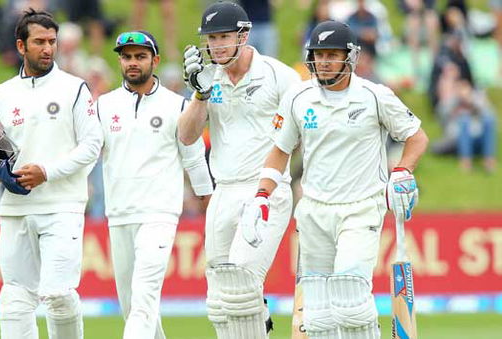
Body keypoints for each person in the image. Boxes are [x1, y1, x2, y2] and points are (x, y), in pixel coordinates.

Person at [240, 20, 429, 338]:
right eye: (319, 54)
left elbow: (417, 137)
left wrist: (403, 170)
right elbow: (279, 151)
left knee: (351, 298)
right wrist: (261, 195)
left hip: (361, 208)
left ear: (349, 57)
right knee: (318, 314)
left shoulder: (374, 95)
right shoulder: (298, 97)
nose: (324, 61)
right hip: (313, 211)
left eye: (332, 54)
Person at [0, 9, 102, 339]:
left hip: (63, 205)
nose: (48, 48)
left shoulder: (74, 88)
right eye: (39, 42)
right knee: (14, 299)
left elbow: (93, 144)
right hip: (16, 209)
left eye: (52, 41)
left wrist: (46, 172)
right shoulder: (3, 93)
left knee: (59, 296)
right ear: (21, 46)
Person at [179, 2, 302, 337]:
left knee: (242, 289)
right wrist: (199, 95)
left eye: (224, 37)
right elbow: (186, 136)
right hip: (224, 191)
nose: (216, 45)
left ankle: (256, 314)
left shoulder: (279, 75)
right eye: (211, 38)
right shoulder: (208, 80)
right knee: (219, 301)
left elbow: (307, 131)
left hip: (266, 191)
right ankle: (257, 320)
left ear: (244, 35)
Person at [98, 30, 213, 339]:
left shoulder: (176, 105)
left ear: (155, 60)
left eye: (140, 56)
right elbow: (86, 156)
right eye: (126, 57)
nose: (132, 63)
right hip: (119, 214)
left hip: (159, 214)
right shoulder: (104, 105)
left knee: (144, 298)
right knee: (133, 307)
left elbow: (193, 156)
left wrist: (208, 200)